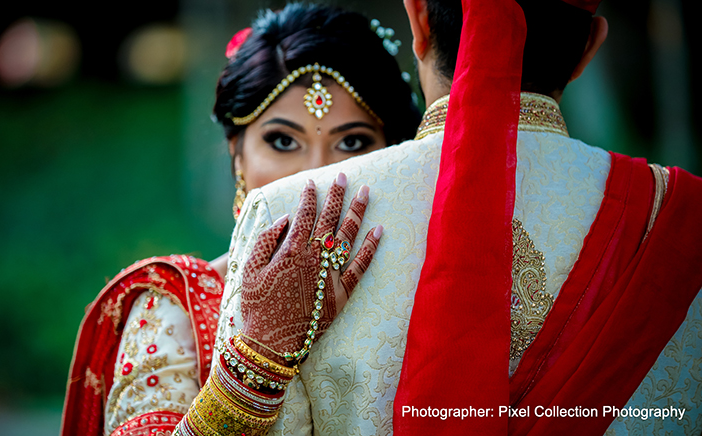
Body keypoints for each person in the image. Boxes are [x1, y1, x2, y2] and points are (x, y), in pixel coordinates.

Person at [219, 0, 702, 435]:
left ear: (419, 20)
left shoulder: (286, 214)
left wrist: (258, 361)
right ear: (590, 46)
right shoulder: (686, 217)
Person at [60, 4, 420, 436]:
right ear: (237, 157)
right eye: (283, 140)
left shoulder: (425, 293)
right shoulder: (177, 310)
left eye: (353, 142)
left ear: (395, 157)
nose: (316, 175)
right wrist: (260, 352)